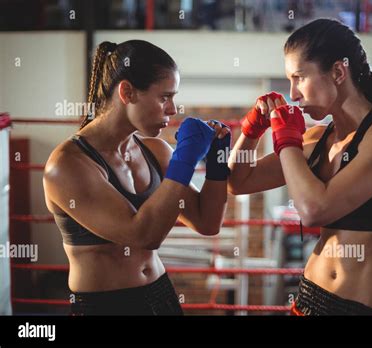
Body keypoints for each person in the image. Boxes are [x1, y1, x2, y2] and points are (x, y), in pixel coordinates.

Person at [228, 19, 372, 315]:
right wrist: (251, 131)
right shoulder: (317, 139)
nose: (293, 94)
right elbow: (238, 182)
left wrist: (286, 139)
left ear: (338, 72)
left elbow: (315, 209)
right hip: (311, 299)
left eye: (299, 78)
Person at [43, 40, 231, 315]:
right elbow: (143, 235)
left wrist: (217, 162)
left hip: (161, 294)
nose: (172, 109)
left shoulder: (154, 150)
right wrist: (186, 159)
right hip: (106, 307)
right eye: (164, 97)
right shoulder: (68, 165)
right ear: (127, 92)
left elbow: (207, 221)